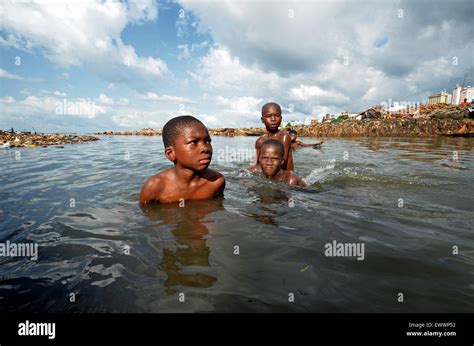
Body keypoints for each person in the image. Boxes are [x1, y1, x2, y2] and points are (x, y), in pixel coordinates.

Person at [139, 115, 225, 204]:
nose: (205, 148)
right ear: (171, 154)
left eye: (207, 141)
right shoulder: (155, 187)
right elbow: (142, 214)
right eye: (193, 142)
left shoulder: (216, 181)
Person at [255, 102, 294, 170]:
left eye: (277, 115)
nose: (273, 119)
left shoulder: (284, 137)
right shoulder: (260, 141)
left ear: (281, 118)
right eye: (268, 116)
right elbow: (257, 163)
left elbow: (281, 163)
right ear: (262, 120)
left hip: (285, 177)